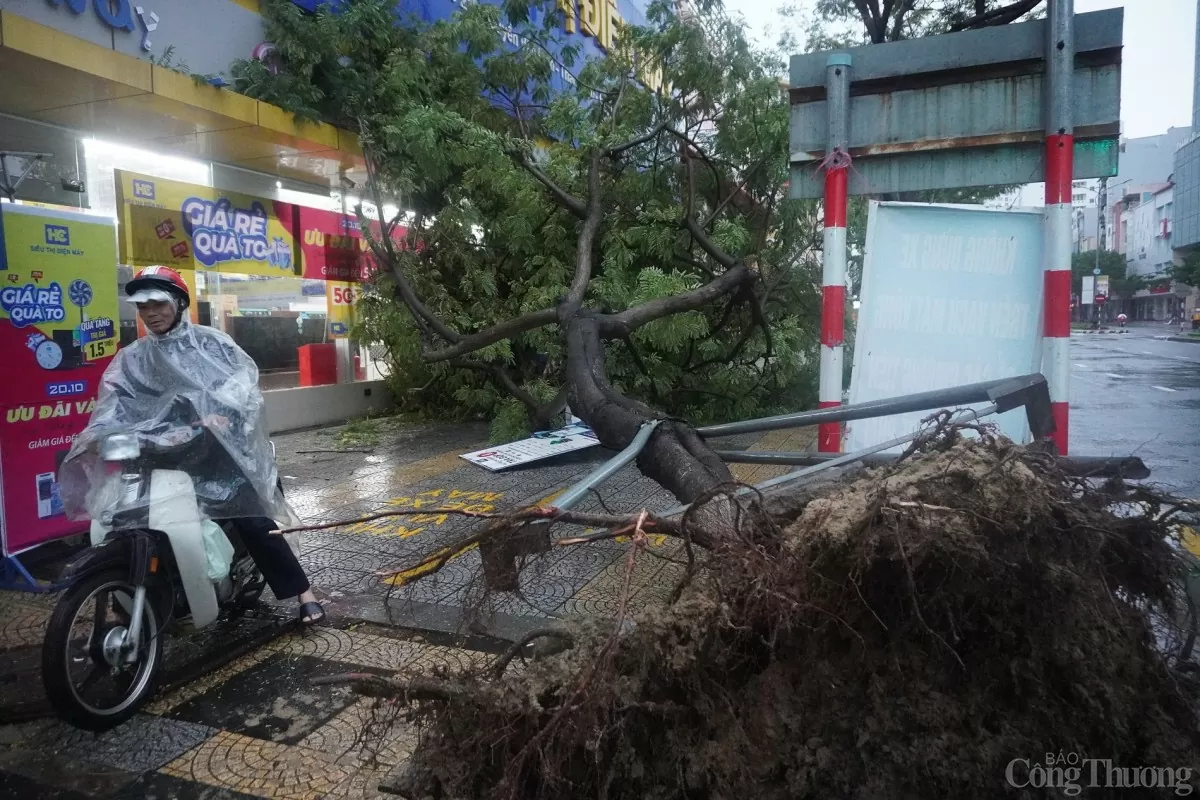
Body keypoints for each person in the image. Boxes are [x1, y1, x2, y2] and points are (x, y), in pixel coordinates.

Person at [65, 266, 324, 624]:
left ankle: (303, 591)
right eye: (143, 307)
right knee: (118, 518)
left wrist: (219, 416)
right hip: (153, 455)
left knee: (250, 519)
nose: (151, 313)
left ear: (179, 303)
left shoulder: (212, 344)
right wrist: (96, 434)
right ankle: (119, 590)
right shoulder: (131, 359)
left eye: (158, 303)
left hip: (212, 454)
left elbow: (243, 390)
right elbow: (113, 405)